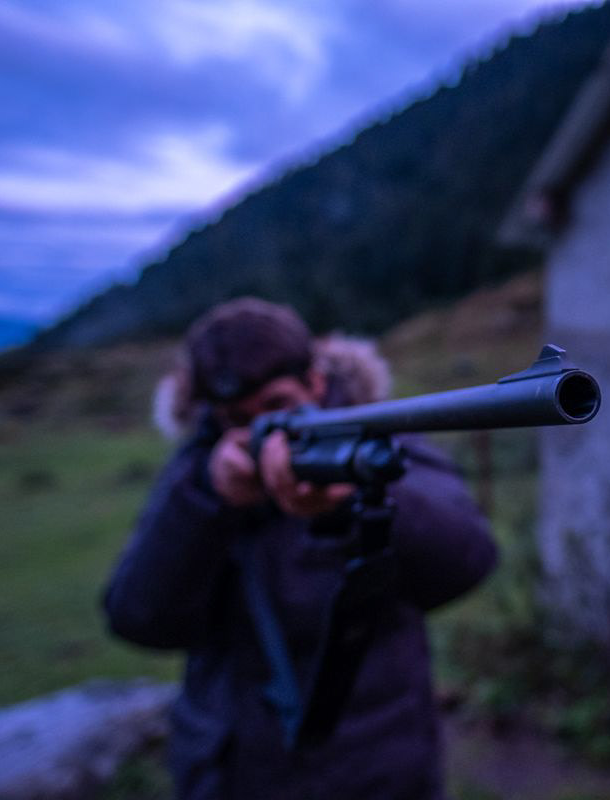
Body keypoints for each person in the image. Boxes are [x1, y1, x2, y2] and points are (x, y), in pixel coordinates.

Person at [103, 297, 497, 799]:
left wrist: (356, 503)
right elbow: (139, 617)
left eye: (274, 406)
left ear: (316, 381)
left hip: (378, 762)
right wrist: (209, 501)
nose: (256, 431)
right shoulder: (196, 474)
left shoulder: (374, 437)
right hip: (234, 771)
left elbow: (467, 560)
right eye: (234, 417)